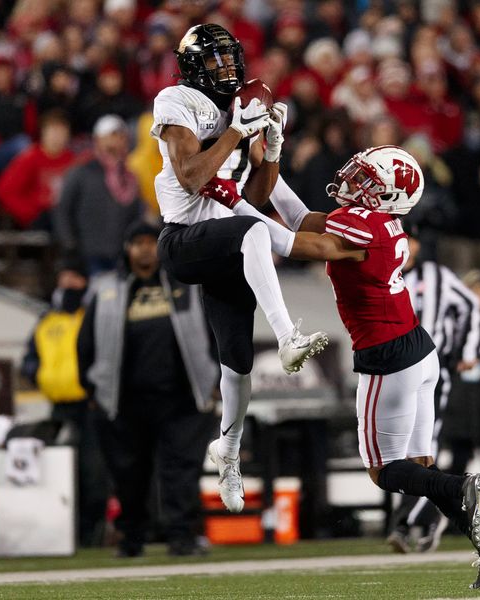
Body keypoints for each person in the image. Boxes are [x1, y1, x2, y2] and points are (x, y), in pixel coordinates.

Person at [202, 145, 480, 590]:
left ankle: (463, 488)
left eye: (365, 178)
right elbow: (298, 217)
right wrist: (267, 159)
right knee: (422, 468)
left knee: (385, 471)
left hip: (388, 357)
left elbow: (294, 242)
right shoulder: (375, 222)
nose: (352, 180)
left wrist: (234, 202)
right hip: (418, 349)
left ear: (383, 195)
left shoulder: (363, 228)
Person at [150, 24, 329, 515]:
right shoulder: (177, 101)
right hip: (183, 241)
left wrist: (268, 147)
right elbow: (191, 177)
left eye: (231, 59)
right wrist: (237, 129)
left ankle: (227, 450)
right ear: (191, 66)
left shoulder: (239, 122)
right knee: (254, 234)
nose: (226, 68)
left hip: (224, 243)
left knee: (238, 362)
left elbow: (258, 200)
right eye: (215, 60)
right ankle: (289, 333)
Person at [77, 221, 219, 557]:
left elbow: (214, 332)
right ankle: (131, 539)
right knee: (128, 475)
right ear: (126, 249)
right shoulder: (106, 289)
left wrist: (216, 380)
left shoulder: (187, 283)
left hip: (182, 399)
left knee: (182, 471)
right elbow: (85, 344)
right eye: (137, 243)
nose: (144, 249)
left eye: (150, 242)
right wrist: (91, 390)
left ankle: (183, 537)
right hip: (124, 401)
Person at [387, 237, 480, 554]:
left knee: (422, 448)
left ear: (415, 244)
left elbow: (470, 305)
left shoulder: (437, 276)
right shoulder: (383, 274)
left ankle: (404, 523)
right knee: (397, 453)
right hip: (392, 373)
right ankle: (433, 514)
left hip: (431, 373)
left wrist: (468, 349)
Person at [21, 260, 106, 547]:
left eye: (74, 278)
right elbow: (30, 358)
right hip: (59, 408)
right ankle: (68, 533)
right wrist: (39, 376)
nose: (68, 284)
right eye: (64, 278)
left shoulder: (93, 316)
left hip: (91, 405)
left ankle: (91, 533)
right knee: (61, 473)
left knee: (93, 472)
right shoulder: (47, 320)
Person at [53, 114, 145, 275]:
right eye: (111, 136)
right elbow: (63, 211)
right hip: (87, 256)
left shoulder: (130, 177)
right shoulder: (82, 172)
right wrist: (70, 248)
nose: (117, 142)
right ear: (98, 140)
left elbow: (136, 215)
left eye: (121, 136)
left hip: (121, 256)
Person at [0, 109, 77, 229]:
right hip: (41, 216)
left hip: (65, 215)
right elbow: (4, 191)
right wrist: (30, 213)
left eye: (61, 132)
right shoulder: (29, 158)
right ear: (43, 133)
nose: (57, 137)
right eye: (53, 132)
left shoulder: (72, 160)